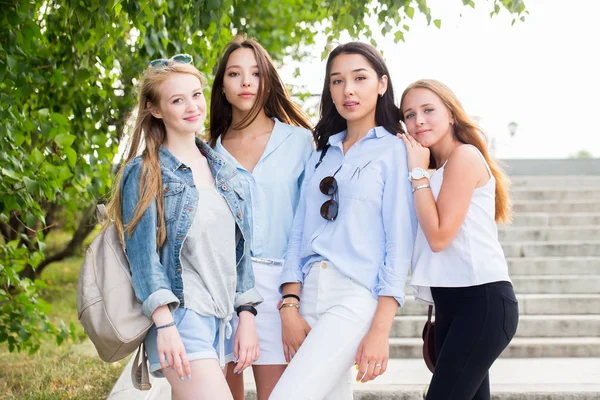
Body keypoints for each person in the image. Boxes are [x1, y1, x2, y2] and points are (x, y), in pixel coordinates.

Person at [108, 55, 262, 400]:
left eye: (196, 94)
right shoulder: (146, 172)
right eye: (178, 99)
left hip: (221, 319)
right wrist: (164, 325)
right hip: (182, 318)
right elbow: (143, 258)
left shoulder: (226, 170)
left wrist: (246, 315)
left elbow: (240, 253)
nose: (192, 106)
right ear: (156, 109)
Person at [269, 42, 417, 400]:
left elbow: (400, 244)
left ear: (382, 84)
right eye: (337, 81)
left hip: (354, 295)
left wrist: (380, 329)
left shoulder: (397, 150)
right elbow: (299, 233)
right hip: (308, 295)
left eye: (359, 78)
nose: (347, 90)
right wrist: (289, 303)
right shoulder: (320, 152)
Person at [399, 79, 519, 400]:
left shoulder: (463, 157)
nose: (418, 120)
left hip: (481, 301)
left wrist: (416, 172)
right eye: (409, 114)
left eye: (428, 110)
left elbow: (439, 237)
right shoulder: (431, 170)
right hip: (449, 303)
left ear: (451, 114)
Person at [209, 36, 314, 400]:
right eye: (235, 73)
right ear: (222, 85)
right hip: (220, 288)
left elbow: (309, 226)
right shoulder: (208, 152)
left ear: (267, 80)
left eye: (255, 73)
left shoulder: (301, 142)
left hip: (278, 286)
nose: (246, 82)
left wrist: (292, 299)